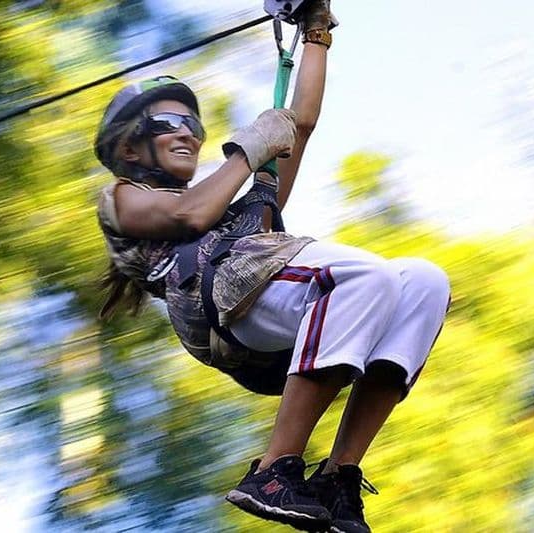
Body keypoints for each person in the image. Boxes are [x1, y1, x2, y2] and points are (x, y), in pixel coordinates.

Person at [93, 2, 450, 531]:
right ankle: (272, 471)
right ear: (129, 144)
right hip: (217, 305)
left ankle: (338, 477)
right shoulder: (123, 200)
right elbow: (191, 213)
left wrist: (316, 32)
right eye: (170, 121)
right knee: (362, 276)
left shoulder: (241, 207)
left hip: (270, 317)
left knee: (423, 282)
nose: (189, 131)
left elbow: (299, 126)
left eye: (193, 121)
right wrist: (248, 150)